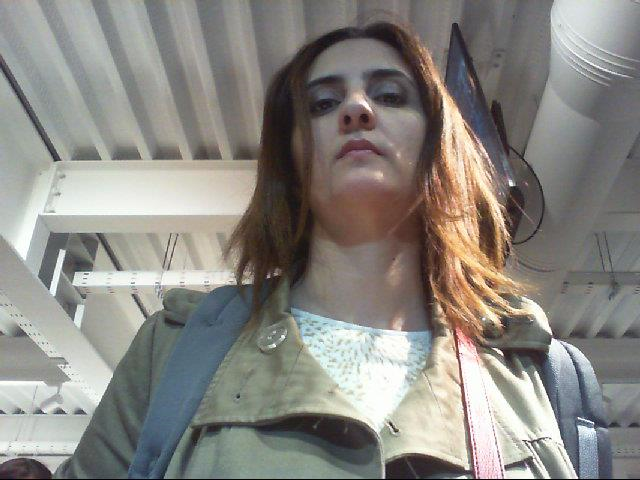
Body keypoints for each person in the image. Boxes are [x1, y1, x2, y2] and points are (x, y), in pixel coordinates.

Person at [55, 21, 577, 478]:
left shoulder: (528, 371)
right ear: (292, 161)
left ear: (437, 144)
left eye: (390, 95)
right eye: (323, 104)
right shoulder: (174, 351)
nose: (356, 108)